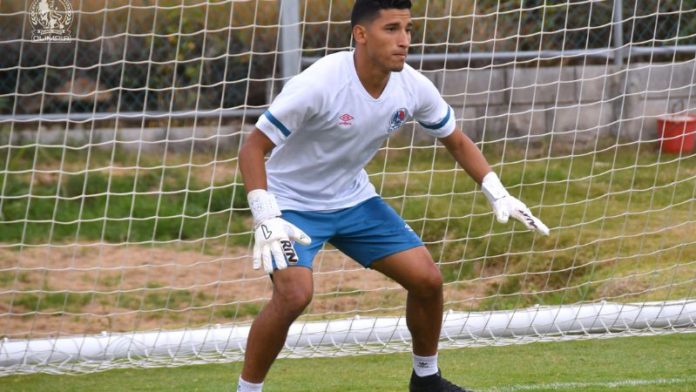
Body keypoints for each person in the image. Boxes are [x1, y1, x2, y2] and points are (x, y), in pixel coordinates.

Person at [236, 1, 549, 391]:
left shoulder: (413, 86)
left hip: (353, 199)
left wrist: (496, 191)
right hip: (291, 206)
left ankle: (426, 380)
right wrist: (266, 214)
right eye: (392, 29)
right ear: (361, 34)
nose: (404, 41)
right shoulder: (317, 84)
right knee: (294, 295)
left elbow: (455, 140)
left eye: (408, 29)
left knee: (428, 280)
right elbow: (252, 148)